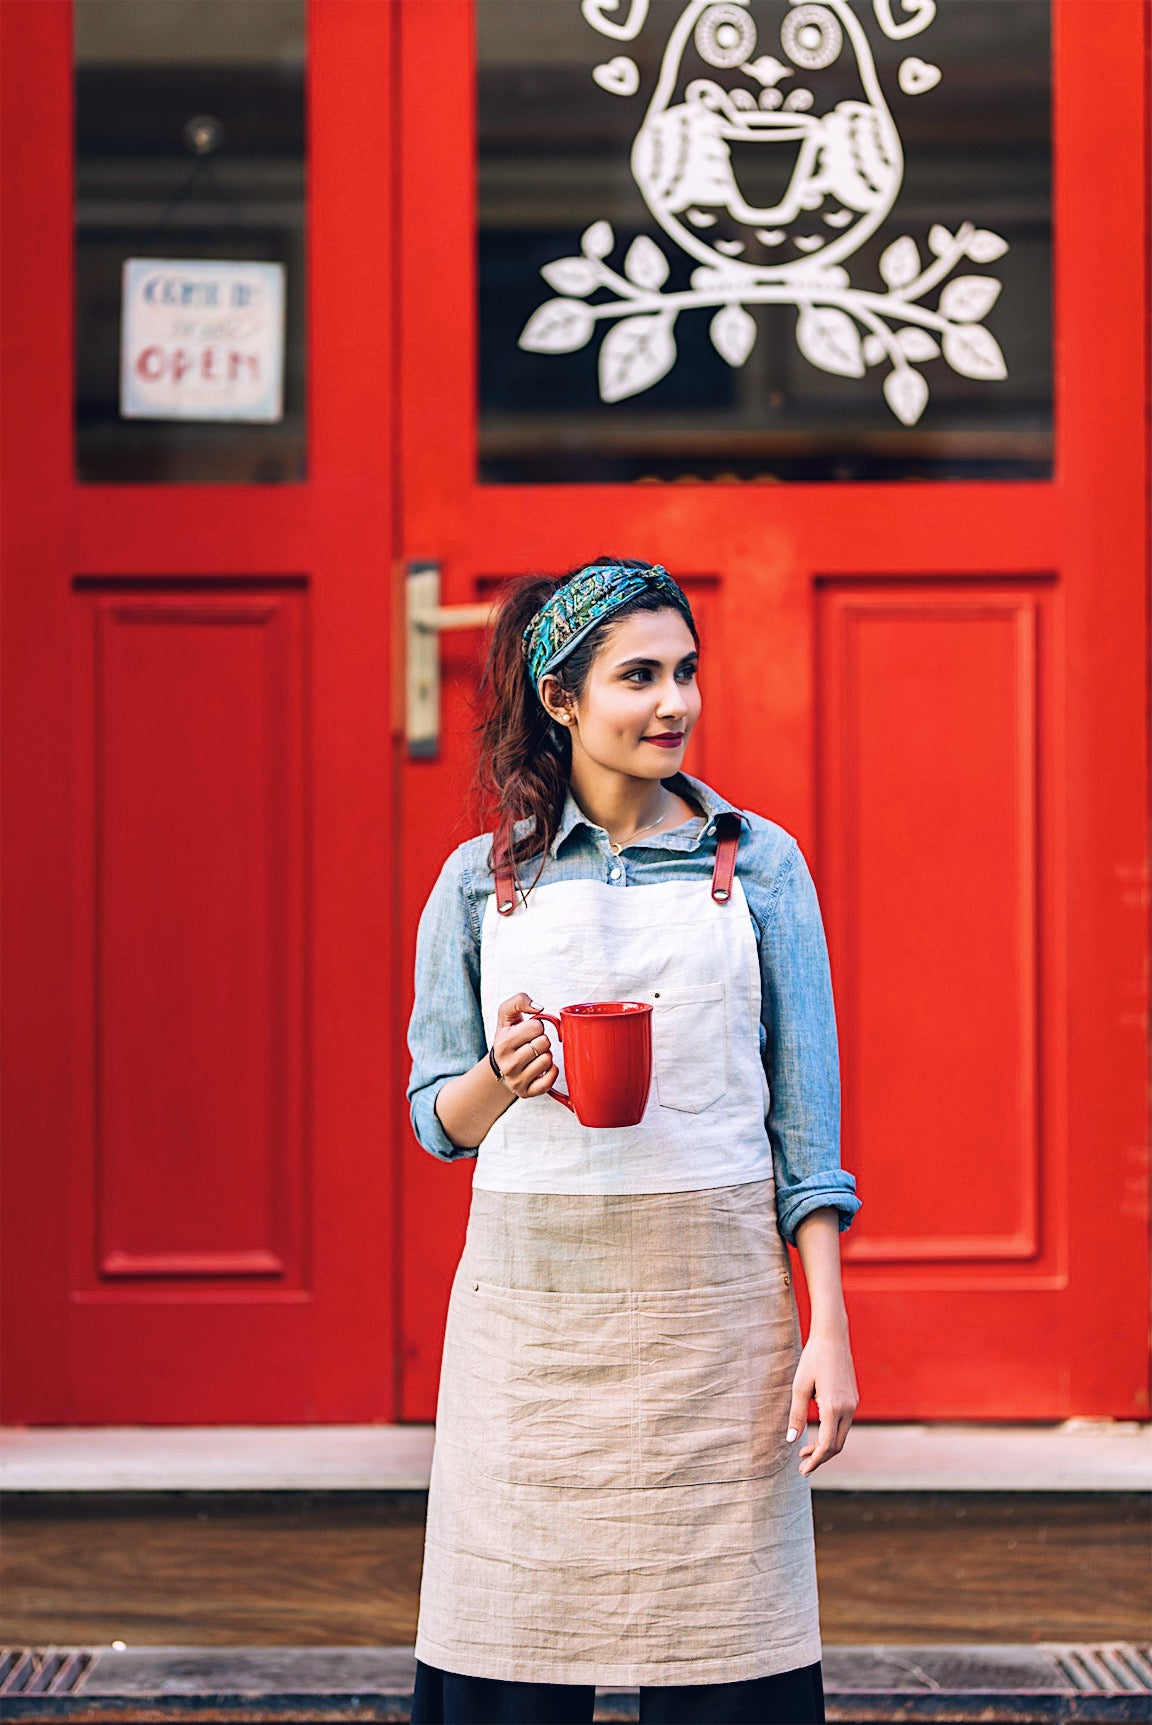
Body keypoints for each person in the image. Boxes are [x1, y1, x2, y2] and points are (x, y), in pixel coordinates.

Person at [405, 558, 861, 1725]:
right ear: (560, 700)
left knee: (729, 1657)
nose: (676, 703)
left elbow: (806, 1136)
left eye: (686, 672)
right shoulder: (480, 885)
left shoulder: (760, 867)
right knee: (510, 1654)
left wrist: (829, 1330)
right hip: (531, 1339)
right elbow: (436, 1120)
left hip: (714, 1334)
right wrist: (501, 1079)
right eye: (640, 676)